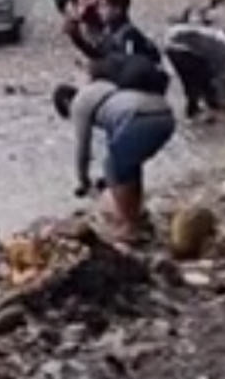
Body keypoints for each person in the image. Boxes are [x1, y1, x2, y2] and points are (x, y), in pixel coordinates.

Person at [54, 62, 175, 244]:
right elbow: (115, 129)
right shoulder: (102, 88)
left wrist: (83, 181)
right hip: (165, 114)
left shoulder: (79, 103)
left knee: (113, 167)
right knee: (128, 166)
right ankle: (137, 213)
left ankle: (129, 227)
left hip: (139, 118)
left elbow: (83, 148)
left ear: (66, 103)